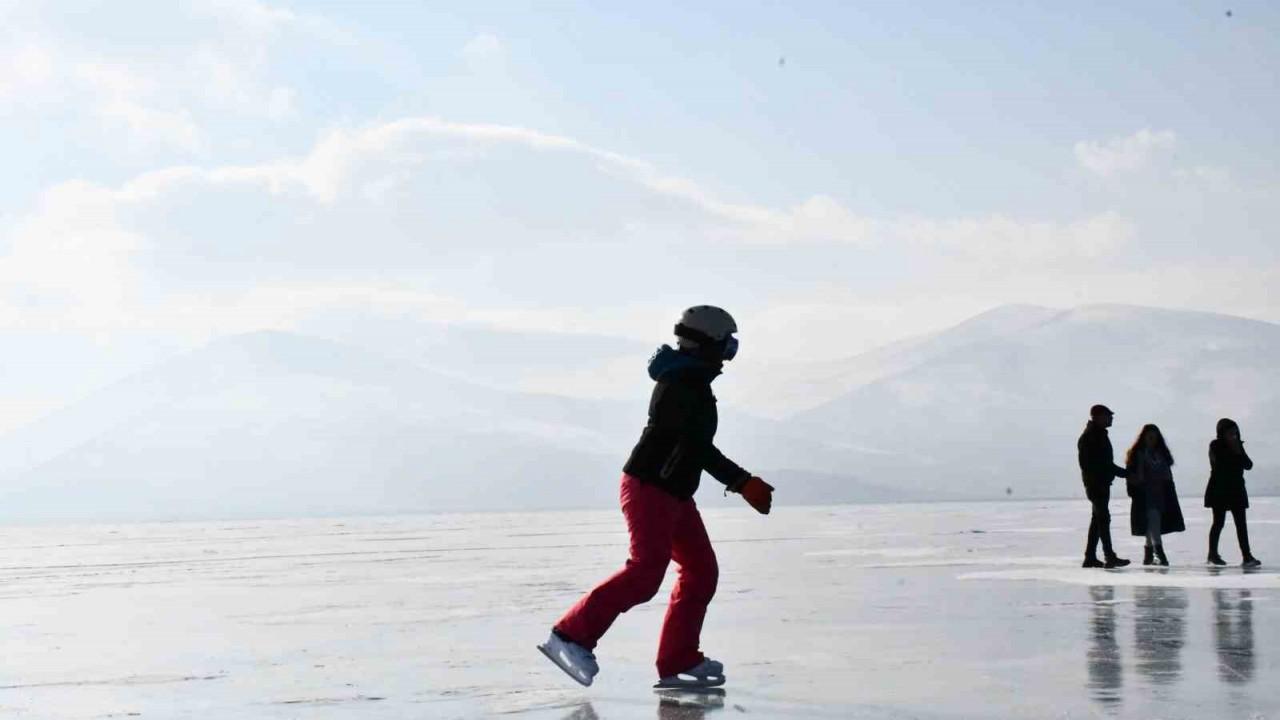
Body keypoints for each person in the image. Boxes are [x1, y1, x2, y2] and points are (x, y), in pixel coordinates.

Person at [539, 306, 775, 689]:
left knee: (701, 572)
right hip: (651, 488)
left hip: (675, 493)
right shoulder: (682, 385)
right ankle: (569, 636)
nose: (728, 356)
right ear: (708, 345)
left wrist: (740, 482)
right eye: (727, 346)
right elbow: (695, 447)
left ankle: (677, 659)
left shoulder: (691, 380)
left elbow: (695, 447)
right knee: (646, 573)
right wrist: (742, 481)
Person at [1124, 424, 1185, 566]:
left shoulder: (1161, 454)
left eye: (1155, 437)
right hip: (1144, 495)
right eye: (1150, 437)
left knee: (1152, 524)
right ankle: (1159, 552)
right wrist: (1134, 489)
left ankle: (1149, 553)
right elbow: (1132, 476)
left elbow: (1168, 476)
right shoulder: (1137, 454)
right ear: (1144, 438)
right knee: (1153, 521)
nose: (1152, 440)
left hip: (1161, 494)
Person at [1078, 405, 1130, 568]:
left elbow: (1104, 464)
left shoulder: (1097, 435)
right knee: (1103, 518)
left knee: (1098, 520)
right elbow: (1102, 464)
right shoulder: (1091, 437)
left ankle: (1090, 557)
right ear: (1099, 416)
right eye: (1109, 416)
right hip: (1096, 484)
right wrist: (1127, 474)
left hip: (1099, 483)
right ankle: (1109, 556)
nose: (1111, 418)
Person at [1204, 418, 1260, 568]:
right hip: (1219, 489)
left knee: (1241, 524)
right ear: (1222, 433)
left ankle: (1247, 556)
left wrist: (1238, 450)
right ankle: (1212, 554)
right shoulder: (1215, 446)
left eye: (1235, 432)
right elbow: (1220, 465)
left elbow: (1249, 465)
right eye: (1230, 432)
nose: (1233, 435)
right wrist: (1234, 452)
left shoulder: (1238, 446)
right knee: (1218, 522)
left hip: (1236, 489)